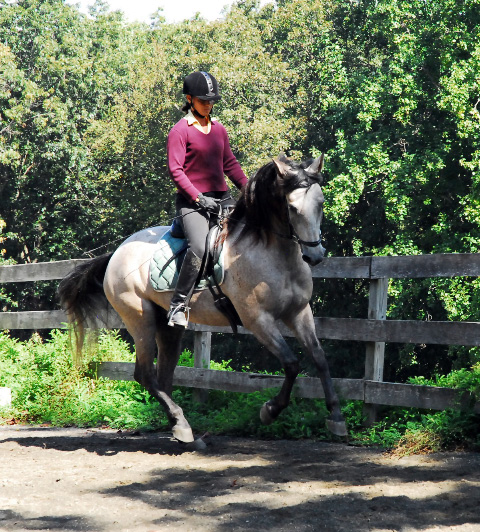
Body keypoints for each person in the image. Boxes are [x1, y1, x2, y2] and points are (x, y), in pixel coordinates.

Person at [166, 71, 248, 328]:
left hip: (222, 198)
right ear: (189, 99)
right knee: (200, 248)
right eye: (204, 101)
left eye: (212, 101)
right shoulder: (180, 131)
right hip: (192, 203)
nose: (209, 105)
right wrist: (199, 199)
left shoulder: (219, 129)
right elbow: (176, 170)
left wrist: (249, 189)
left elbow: (230, 164)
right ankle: (178, 305)